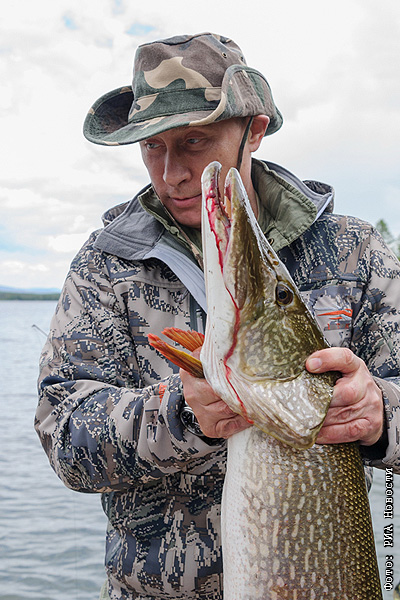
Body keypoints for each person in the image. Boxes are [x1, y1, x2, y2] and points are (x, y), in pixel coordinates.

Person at [35, 32, 400, 600]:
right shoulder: (106, 263)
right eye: (152, 146)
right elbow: (64, 437)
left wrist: (380, 414)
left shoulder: (356, 253)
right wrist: (180, 416)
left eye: (194, 140)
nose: (171, 173)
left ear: (253, 130)